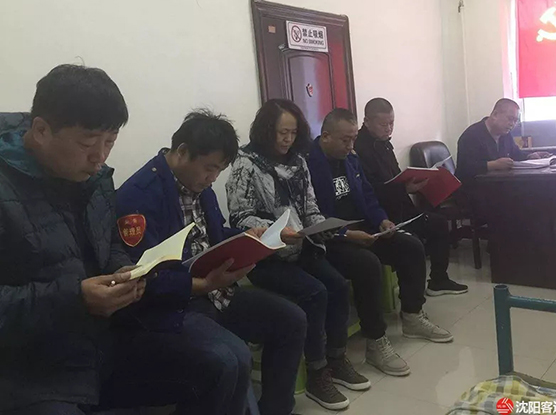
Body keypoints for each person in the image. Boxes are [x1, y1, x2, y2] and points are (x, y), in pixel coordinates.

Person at [0, 65, 251, 415]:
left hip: (104, 342)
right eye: (88, 143)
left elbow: (110, 245)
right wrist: (76, 299)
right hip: (33, 366)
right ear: (41, 130)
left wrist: (126, 270)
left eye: (110, 142)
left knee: (220, 365)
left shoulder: (95, 180)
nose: (100, 157)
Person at [116, 109, 307, 415]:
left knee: (291, 320)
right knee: (231, 358)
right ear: (182, 152)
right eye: (209, 168)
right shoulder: (138, 197)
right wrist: (201, 285)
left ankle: (276, 408)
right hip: (174, 306)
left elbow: (213, 235)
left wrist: (254, 237)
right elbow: (142, 277)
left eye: (219, 170)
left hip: (216, 291)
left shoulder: (199, 186)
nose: (213, 178)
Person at [226, 99, 370, 411]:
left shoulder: (298, 162)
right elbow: (239, 217)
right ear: (266, 130)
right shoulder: (245, 164)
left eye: (293, 133)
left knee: (337, 285)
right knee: (315, 292)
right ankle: (317, 372)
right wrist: (275, 231)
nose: (288, 139)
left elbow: (309, 206)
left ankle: (336, 358)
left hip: (301, 246)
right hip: (265, 255)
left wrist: (320, 227)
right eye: (282, 132)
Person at [306, 108, 454, 378]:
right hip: (330, 240)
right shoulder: (308, 164)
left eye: (353, 139)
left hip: (363, 229)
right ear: (325, 136)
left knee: (411, 246)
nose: (351, 145)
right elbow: (311, 216)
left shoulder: (351, 159)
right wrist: (346, 234)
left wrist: (382, 220)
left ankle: (412, 316)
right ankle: (375, 341)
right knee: (368, 264)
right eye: (345, 140)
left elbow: (368, 196)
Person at [353, 98, 468, 296]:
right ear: (367, 121)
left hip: (401, 205)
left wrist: (412, 183)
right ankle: (411, 295)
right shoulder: (359, 149)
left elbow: (396, 177)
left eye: (392, 123)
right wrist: (404, 188)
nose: (389, 129)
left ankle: (438, 280)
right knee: (414, 241)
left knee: (439, 223)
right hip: (381, 214)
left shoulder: (384, 144)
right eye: (383, 124)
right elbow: (368, 190)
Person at [456, 98, 551, 186]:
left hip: (499, 186)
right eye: (510, 119)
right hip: (474, 190)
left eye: (515, 121)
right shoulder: (471, 135)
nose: (512, 124)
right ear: (495, 115)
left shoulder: (505, 134)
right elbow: (465, 168)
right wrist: (492, 165)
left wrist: (530, 156)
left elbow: (516, 154)